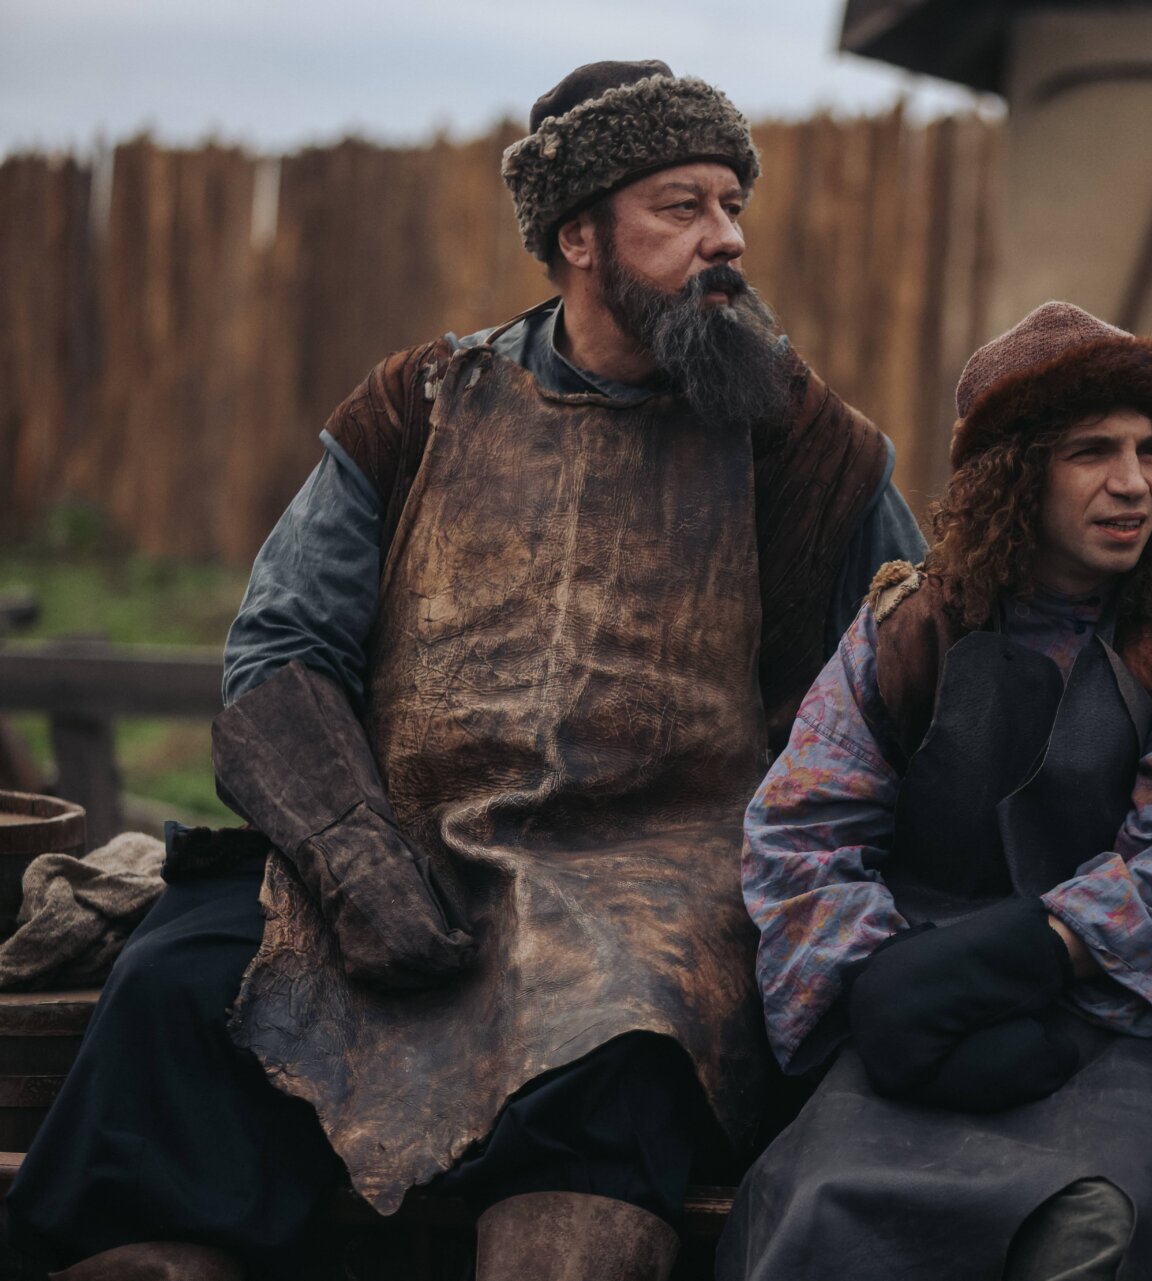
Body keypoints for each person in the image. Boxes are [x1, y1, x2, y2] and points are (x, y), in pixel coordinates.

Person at [8, 59, 924, 1281]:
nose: (728, 239)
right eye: (683, 207)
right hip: (408, 843)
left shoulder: (809, 449)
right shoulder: (421, 408)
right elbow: (281, 653)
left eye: (731, 204)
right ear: (577, 236)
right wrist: (350, 858)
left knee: (621, 1050)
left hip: (656, 889)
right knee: (176, 988)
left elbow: (906, 683)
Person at [716, 301, 1152, 1280]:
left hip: (1116, 1032)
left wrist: (1025, 953)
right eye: (1092, 451)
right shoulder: (907, 630)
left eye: (1150, 451)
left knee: (1086, 1227)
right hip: (921, 1027)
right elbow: (802, 834)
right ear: (1015, 473)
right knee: (824, 1212)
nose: (1133, 482)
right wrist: (890, 990)